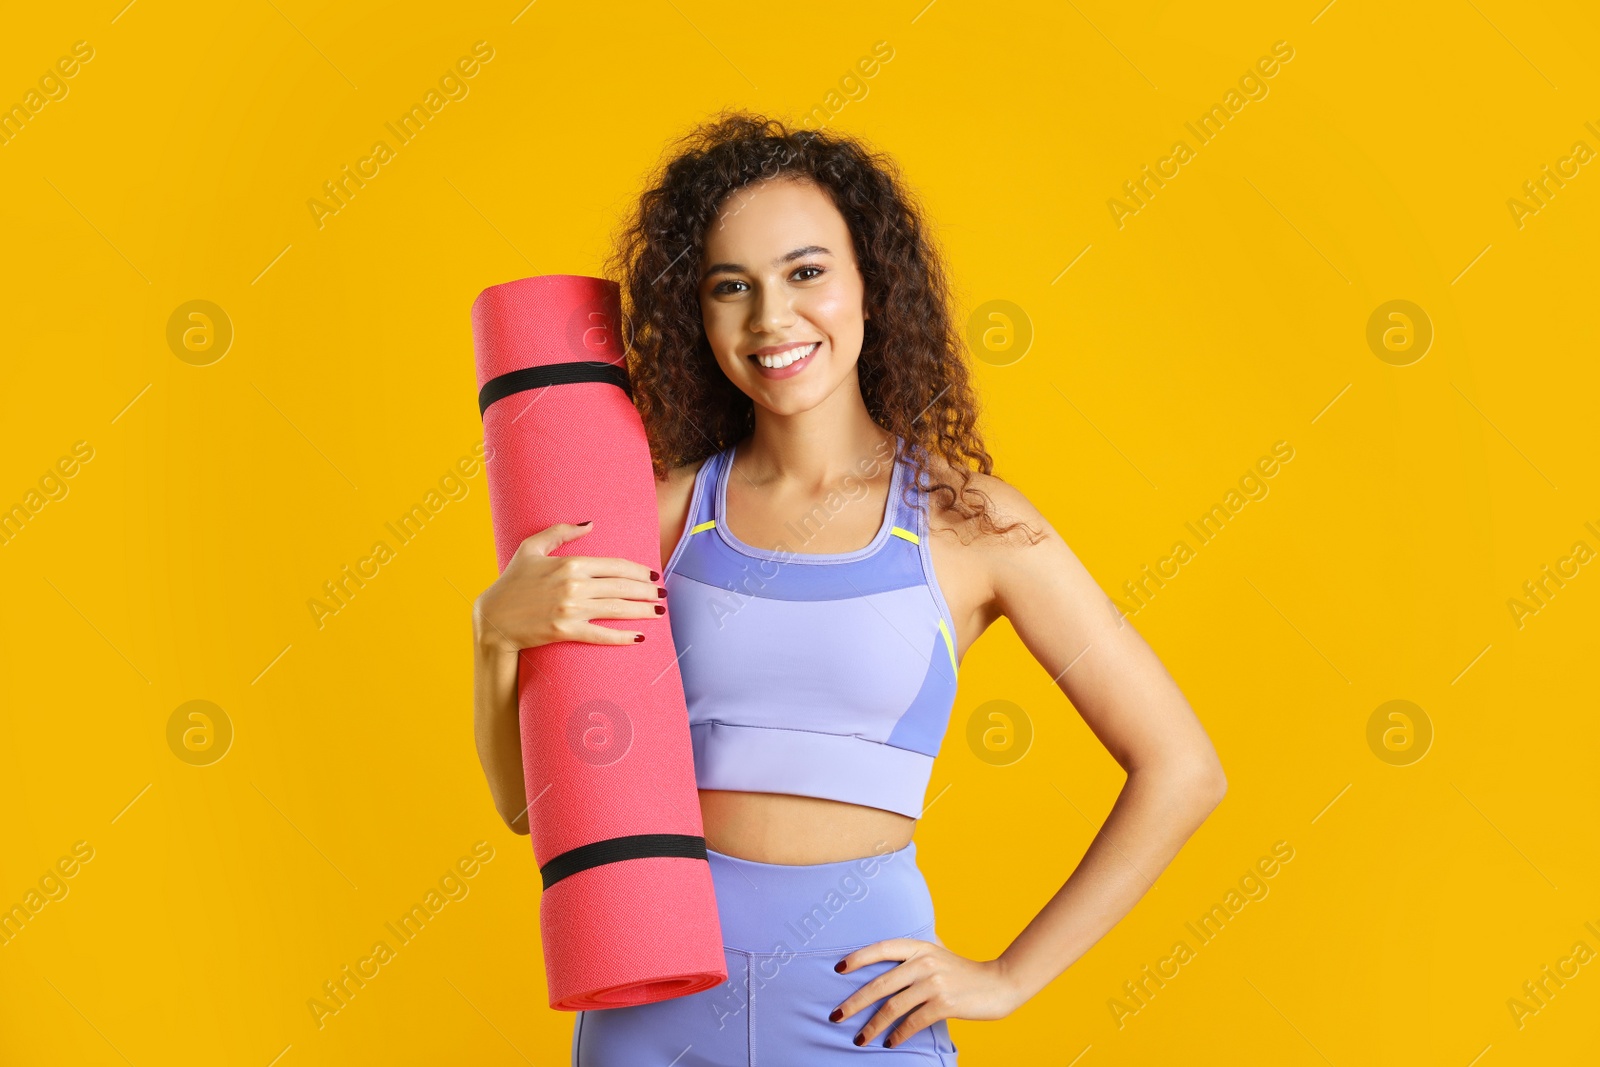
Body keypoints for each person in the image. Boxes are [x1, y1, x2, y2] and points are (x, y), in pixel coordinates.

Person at [471, 112, 1226, 1065]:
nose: (771, 317)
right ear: (698, 315)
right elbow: (535, 806)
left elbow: (1183, 768)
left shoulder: (970, 525)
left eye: (806, 272)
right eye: (729, 287)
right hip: (653, 1005)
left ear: (872, 281)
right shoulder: (656, 516)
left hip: (859, 1011)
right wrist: (494, 635)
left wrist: (1008, 976)